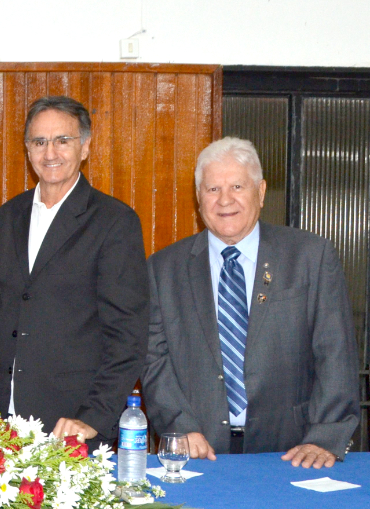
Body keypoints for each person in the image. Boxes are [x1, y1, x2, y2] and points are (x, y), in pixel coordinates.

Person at [142, 137, 359, 469]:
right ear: (198, 197)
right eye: (212, 189)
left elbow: (335, 350)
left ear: (260, 191)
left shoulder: (310, 257)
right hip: (196, 451)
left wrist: (325, 435)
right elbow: (153, 359)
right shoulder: (163, 268)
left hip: (293, 450)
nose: (225, 199)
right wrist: (179, 427)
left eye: (237, 186)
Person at [0, 96, 148, 446]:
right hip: (3, 426)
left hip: (73, 424)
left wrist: (93, 417)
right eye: (39, 142)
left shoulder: (114, 222)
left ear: (85, 147)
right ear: (27, 149)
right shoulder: (7, 217)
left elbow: (127, 335)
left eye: (63, 140)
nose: (50, 152)